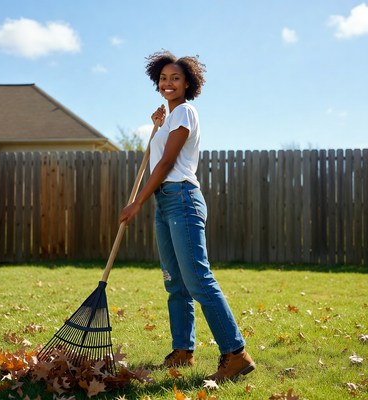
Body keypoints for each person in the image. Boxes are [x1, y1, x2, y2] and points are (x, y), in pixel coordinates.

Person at [119, 50, 255, 381]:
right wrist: (158, 126)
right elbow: (160, 155)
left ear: (188, 83)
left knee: (198, 280)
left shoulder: (186, 112)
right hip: (166, 203)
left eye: (175, 78)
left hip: (181, 199)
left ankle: (236, 354)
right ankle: (183, 351)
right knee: (175, 282)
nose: (168, 83)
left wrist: (137, 201)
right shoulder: (170, 118)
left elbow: (166, 165)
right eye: (163, 78)